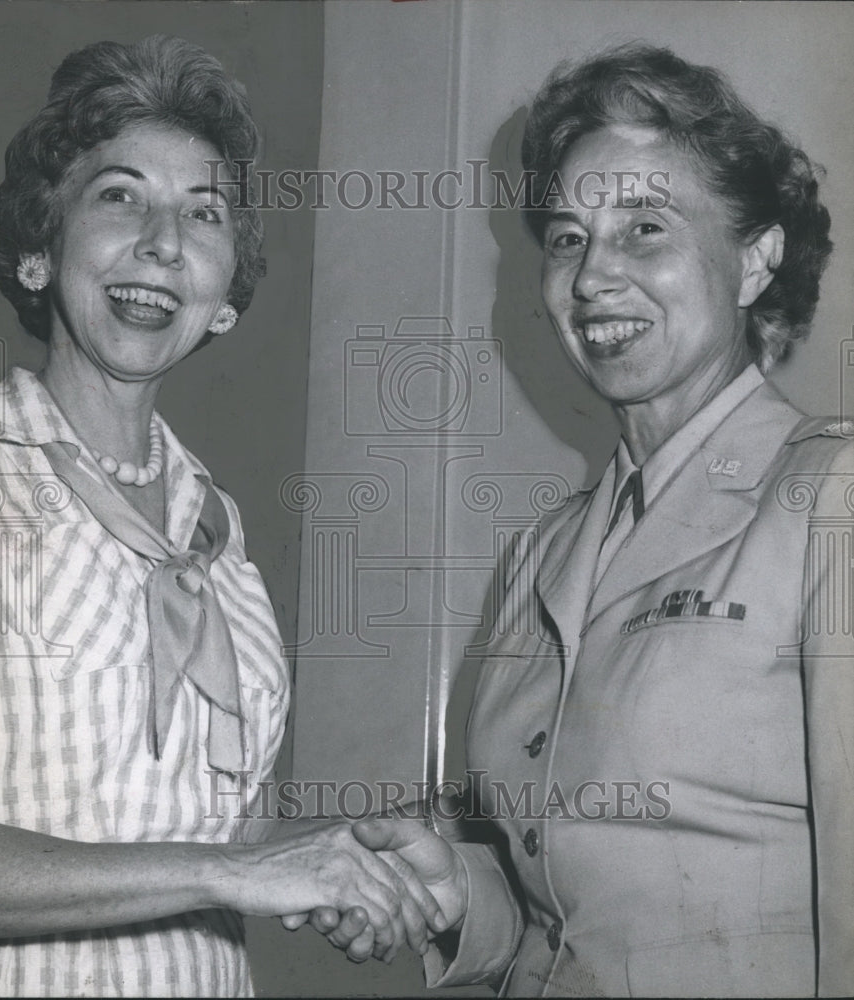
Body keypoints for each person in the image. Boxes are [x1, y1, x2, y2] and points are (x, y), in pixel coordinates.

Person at [326, 43, 854, 997]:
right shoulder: (544, 551)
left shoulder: (831, 503)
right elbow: (560, 905)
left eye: (645, 227)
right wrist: (461, 893)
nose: (591, 276)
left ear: (754, 260)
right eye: (567, 237)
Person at [0, 35, 442, 998]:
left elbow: (216, 832)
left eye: (202, 213)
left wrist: (338, 862)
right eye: (120, 196)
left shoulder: (217, 530)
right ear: (39, 252)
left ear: (222, 302)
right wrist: (234, 872)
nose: (163, 240)